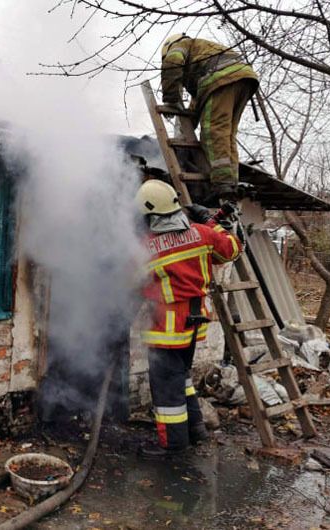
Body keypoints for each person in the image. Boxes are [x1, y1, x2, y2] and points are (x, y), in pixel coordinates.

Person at [135, 179, 242, 456]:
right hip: (195, 325)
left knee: (167, 390)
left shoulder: (149, 248)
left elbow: (134, 282)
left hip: (166, 330)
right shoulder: (201, 234)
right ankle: (196, 430)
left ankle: (173, 445)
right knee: (182, 379)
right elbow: (230, 249)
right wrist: (213, 219)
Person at [160, 34, 259, 198]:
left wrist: (171, 100)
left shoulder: (180, 45)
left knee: (213, 132)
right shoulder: (201, 53)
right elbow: (196, 106)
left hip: (222, 78)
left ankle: (223, 183)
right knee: (227, 135)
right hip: (244, 79)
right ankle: (231, 182)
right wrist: (185, 130)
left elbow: (172, 63)